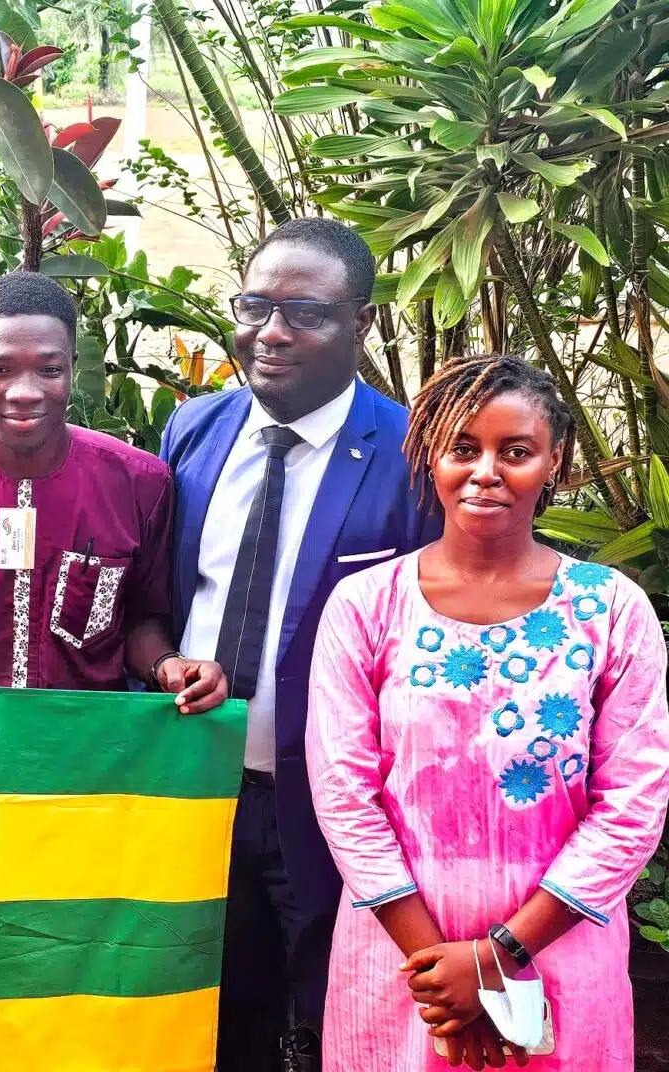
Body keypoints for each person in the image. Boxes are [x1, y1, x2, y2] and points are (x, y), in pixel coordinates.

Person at [307, 355, 669, 1070]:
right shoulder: (365, 606)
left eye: (516, 451)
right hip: (403, 951)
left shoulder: (612, 610)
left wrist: (497, 958)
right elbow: (343, 795)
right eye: (463, 448)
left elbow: (633, 803)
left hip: (560, 939)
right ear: (430, 456)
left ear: (553, 460)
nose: (485, 471)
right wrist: (445, 970)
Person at [158, 217, 439, 1070]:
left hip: (332, 802)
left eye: (304, 313)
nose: (270, 333)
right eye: (254, 305)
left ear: (362, 323)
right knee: (216, 1004)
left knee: (333, 1007)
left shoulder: (413, 455)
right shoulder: (194, 432)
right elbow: (168, 598)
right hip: (199, 783)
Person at [0, 271, 214, 706]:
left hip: (87, 743)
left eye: (49, 370)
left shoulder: (141, 484)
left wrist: (168, 664)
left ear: (73, 369)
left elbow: (143, 620)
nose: (24, 392)